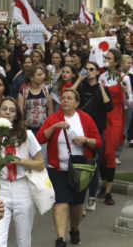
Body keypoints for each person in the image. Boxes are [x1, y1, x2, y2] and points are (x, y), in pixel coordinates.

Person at [36, 89, 102, 247]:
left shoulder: (85, 118)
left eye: (69, 98)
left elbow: (98, 142)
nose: (65, 100)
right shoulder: (54, 118)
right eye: (63, 98)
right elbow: (40, 138)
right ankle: (60, 238)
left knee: (77, 204)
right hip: (57, 168)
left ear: (77, 102)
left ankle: (74, 228)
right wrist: (54, 127)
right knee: (61, 202)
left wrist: (85, 140)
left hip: (80, 169)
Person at [0, 97, 44, 247]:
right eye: (4, 109)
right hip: (1, 187)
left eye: (12, 110)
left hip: (23, 187)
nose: (8, 112)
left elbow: (41, 164)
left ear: (17, 114)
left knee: (23, 239)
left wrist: (20, 161)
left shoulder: (27, 135)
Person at [72, 61, 113, 212]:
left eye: (91, 69)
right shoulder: (81, 87)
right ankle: (79, 201)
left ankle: (92, 197)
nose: (88, 72)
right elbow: (68, 96)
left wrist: (102, 88)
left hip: (96, 131)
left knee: (93, 166)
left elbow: (109, 106)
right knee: (79, 164)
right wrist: (79, 80)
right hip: (79, 130)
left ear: (97, 72)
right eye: (86, 69)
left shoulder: (102, 88)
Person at [97, 48, 133, 205]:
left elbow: (129, 103)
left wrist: (125, 93)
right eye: (105, 57)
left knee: (110, 153)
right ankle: (104, 184)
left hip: (116, 118)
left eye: (109, 58)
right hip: (103, 117)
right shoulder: (102, 77)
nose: (106, 60)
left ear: (116, 62)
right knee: (102, 153)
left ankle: (108, 192)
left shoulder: (123, 78)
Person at [18, 65, 54, 135]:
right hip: (28, 130)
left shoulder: (47, 91)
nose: (42, 77)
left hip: (44, 130)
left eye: (43, 74)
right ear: (31, 78)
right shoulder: (23, 92)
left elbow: (50, 111)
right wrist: (22, 127)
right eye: (39, 75)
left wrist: (50, 127)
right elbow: (20, 112)